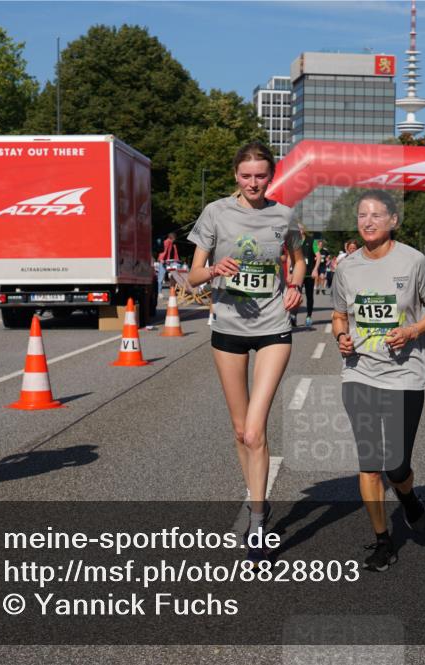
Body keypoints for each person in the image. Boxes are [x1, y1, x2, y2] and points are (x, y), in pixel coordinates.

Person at [187, 141, 304, 563]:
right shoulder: (216, 213)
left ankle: (257, 521)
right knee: (240, 431)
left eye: (261, 176)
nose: (254, 183)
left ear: (271, 177)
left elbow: (298, 259)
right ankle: (259, 498)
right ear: (235, 175)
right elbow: (191, 275)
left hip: (273, 326)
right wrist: (214, 269)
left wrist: (294, 285)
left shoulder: (283, 215)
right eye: (246, 175)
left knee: (255, 430)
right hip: (228, 328)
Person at [331, 190, 425, 572]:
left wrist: (413, 330)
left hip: (404, 375)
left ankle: (409, 497)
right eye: (362, 215)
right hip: (359, 373)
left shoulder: (413, 261)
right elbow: (338, 314)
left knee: (396, 467)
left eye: (376, 215)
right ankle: (383, 540)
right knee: (369, 463)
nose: (367, 221)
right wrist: (340, 336)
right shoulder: (347, 266)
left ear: (393, 220)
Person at [298, 223, 319, 328]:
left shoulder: (311, 241)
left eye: (299, 229)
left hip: (309, 273)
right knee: (296, 295)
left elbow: (318, 257)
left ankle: (309, 316)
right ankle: (293, 315)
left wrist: (315, 269)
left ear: (303, 230)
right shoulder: (294, 242)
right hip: (298, 274)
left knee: (309, 296)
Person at [157, 232, 180, 299]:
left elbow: (175, 254)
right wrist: (161, 259)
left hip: (170, 261)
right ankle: (159, 292)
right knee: (160, 278)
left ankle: (174, 290)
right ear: (173, 238)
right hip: (164, 261)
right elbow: (163, 251)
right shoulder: (167, 242)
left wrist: (177, 260)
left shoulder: (173, 244)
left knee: (175, 273)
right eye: (174, 239)